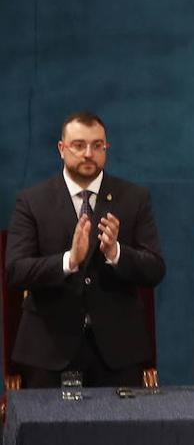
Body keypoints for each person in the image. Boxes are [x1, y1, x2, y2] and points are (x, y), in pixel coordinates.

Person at [3, 111, 165, 388]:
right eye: (78, 145)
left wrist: (116, 253)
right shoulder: (32, 201)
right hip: (48, 352)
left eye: (97, 145)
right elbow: (16, 271)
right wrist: (69, 260)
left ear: (106, 148)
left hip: (119, 353)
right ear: (61, 149)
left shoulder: (134, 198)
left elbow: (155, 269)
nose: (88, 153)